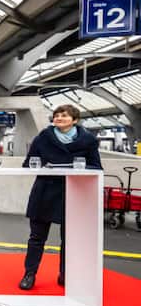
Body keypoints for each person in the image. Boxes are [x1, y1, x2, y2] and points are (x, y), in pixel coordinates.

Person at [19, 104, 102, 290]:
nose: (59, 118)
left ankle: (65, 274)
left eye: (64, 115)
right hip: (44, 192)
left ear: (75, 120)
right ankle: (29, 274)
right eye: (56, 115)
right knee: (36, 237)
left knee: (69, 239)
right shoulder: (43, 137)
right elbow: (28, 163)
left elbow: (96, 167)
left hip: (73, 193)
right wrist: (45, 167)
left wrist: (75, 169)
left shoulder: (88, 140)